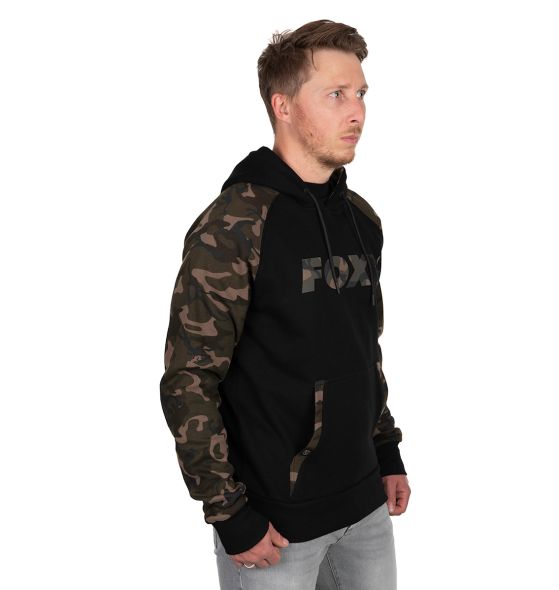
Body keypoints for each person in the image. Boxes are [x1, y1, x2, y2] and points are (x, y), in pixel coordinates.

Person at [159, 19, 411, 590]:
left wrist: (386, 449)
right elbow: (189, 377)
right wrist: (228, 512)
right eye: (336, 94)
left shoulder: (361, 219)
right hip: (274, 525)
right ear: (284, 106)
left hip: (365, 507)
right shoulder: (234, 224)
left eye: (361, 93)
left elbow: (362, 349)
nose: (357, 111)